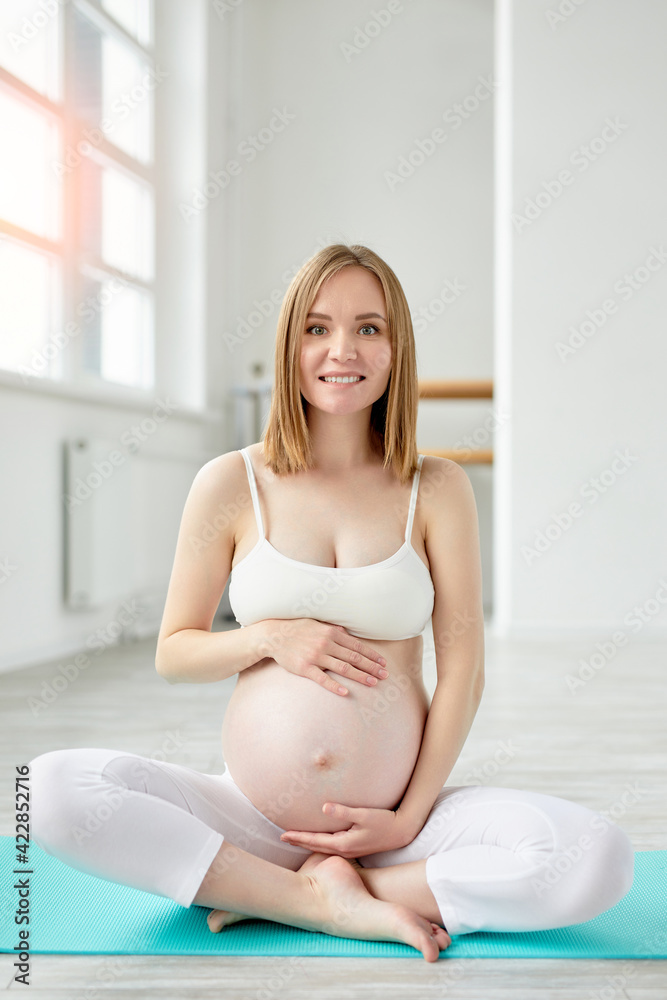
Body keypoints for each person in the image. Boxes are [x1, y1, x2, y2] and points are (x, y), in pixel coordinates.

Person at [28, 244, 634, 963]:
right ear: (289, 344)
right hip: (252, 818)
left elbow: (464, 668)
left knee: (596, 857)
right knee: (49, 788)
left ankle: (291, 892)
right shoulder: (230, 482)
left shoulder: (434, 488)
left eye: (368, 328)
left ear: (395, 346)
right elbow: (175, 652)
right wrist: (267, 638)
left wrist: (406, 818)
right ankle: (313, 900)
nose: (341, 350)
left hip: (389, 829)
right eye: (316, 328)